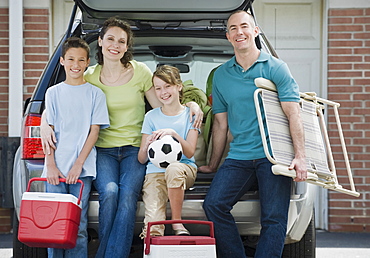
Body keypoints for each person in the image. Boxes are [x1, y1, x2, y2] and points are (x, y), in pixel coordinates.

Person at [41, 17, 202, 258]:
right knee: (110, 192)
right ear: (100, 42)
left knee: (127, 195)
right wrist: (44, 121)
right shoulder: (90, 74)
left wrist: (191, 104)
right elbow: (64, 96)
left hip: (135, 149)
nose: (115, 45)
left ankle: (112, 254)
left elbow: (164, 104)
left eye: (121, 41)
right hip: (102, 149)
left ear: (127, 47)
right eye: (110, 39)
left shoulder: (140, 72)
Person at [198, 10, 307, 258]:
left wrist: (300, 156)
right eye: (233, 28)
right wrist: (213, 164)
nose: (239, 32)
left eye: (244, 26)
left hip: (275, 157)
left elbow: (294, 114)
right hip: (240, 156)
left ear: (255, 31)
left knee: (274, 218)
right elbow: (220, 125)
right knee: (214, 205)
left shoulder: (276, 68)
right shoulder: (222, 75)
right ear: (228, 36)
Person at [41, 37, 109, 258]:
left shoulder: (95, 94)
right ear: (62, 61)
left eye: (81, 60)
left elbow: (94, 132)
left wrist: (79, 165)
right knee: (55, 225)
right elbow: (48, 132)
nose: (75, 64)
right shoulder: (53, 93)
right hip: (55, 170)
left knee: (78, 226)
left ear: (88, 62)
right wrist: (50, 165)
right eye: (70, 59)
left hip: (81, 171)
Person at [138, 65, 199, 238]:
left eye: (167, 86)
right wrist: (147, 145)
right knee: (153, 224)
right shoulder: (151, 117)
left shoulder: (190, 115)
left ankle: (177, 222)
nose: (163, 92)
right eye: (158, 88)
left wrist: (174, 135)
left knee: (173, 169)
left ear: (179, 86)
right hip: (155, 174)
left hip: (184, 170)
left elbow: (190, 152)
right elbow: (142, 159)